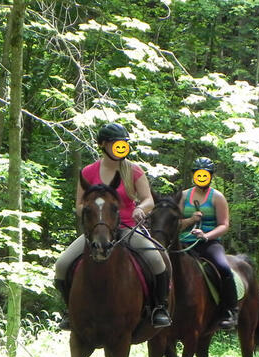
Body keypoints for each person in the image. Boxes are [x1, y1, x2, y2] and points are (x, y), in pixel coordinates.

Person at [54, 123, 172, 329]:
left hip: (127, 228)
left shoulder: (134, 171)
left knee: (157, 260)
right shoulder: (89, 172)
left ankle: (159, 308)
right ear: (103, 145)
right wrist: (92, 213)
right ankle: (70, 311)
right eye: (116, 143)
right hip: (98, 230)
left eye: (123, 144)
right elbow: (79, 205)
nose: (121, 147)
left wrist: (140, 209)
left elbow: (148, 200)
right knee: (62, 264)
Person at [178, 157, 238, 329]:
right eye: (198, 174)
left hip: (208, 243)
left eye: (205, 174)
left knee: (224, 267)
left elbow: (224, 225)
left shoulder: (217, 197)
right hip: (183, 243)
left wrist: (206, 235)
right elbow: (176, 223)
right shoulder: (183, 196)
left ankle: (230, 310)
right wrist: (190, 220)